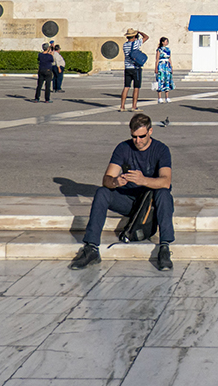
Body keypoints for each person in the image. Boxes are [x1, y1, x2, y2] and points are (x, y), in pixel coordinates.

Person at [70, 113, 174, 271]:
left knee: (164, 194)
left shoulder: (161, 150)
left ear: (150, 131)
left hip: (149, 205)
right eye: (134, 137)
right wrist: (115, 182)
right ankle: (91, 248)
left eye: (141, 136)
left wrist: (143, 180)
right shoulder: (123, 148)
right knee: (102, 192)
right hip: (127, 201)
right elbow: (106, 179)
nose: (137, 141)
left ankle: (165, 248)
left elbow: (166, 181)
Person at [120, 28, 149, 112]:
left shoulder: (125, 45)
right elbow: (146, 37)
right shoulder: (136, 43)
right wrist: (139, 32)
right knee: (136, 87)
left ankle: (122, 106)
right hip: (135, 68)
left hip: (127, 68)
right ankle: (134, 106)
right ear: (134, 36)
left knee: (126, 87)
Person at [155, 37, 174, 103]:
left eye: (167, 41)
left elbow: (169, 58)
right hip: (161, 65)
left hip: (167, 65)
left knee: (167, 80)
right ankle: (159, 97)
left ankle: (167, 97)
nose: (167, 42)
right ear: (162, 42)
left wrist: (171, 66)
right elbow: (157, 59)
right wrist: (156, 67)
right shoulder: (159, 50)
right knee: (160, 80)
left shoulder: (168, 49)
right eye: (165, 41)